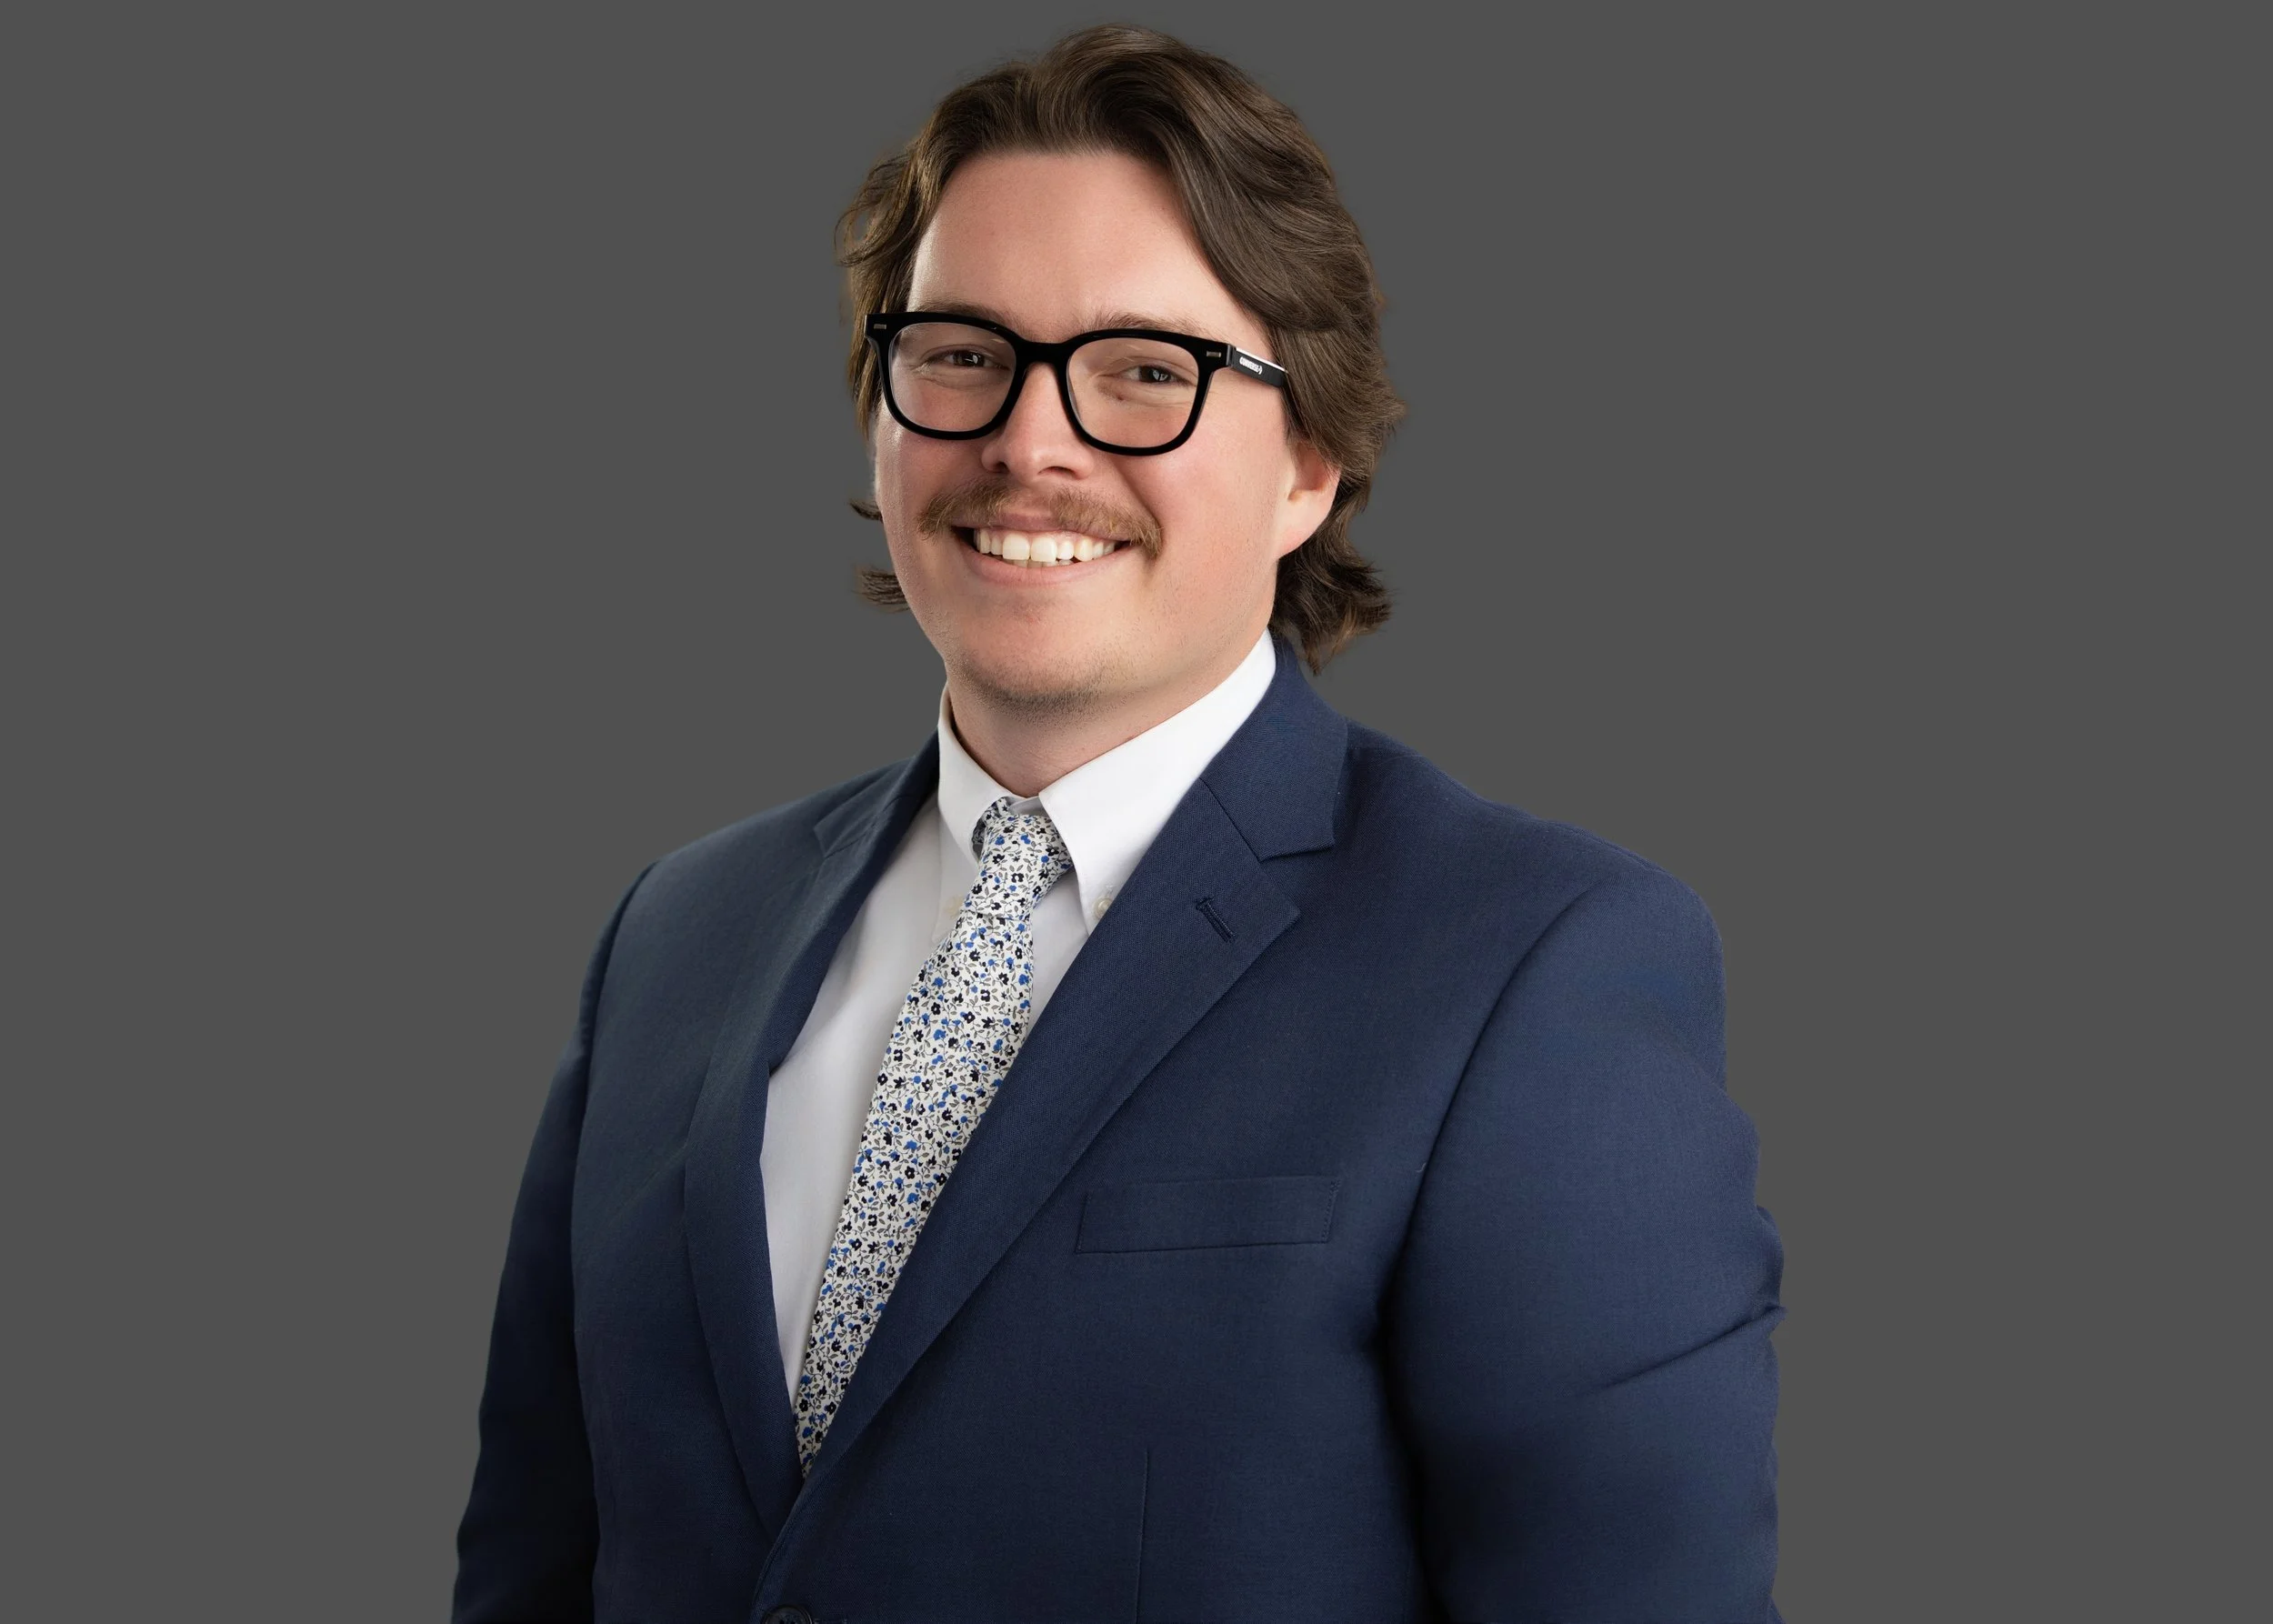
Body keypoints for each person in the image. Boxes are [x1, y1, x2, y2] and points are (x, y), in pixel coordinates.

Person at [453, 25, 1783, 1623]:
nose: (1030, 442)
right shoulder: (672, 936)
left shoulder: (1533, 969)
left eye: (1147, 371)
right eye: (962, 352)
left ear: (1311, 463)